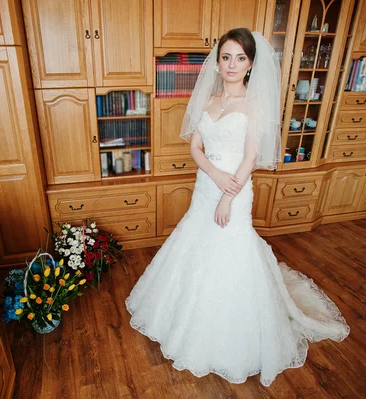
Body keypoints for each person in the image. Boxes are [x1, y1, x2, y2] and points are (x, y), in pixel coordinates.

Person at [125, 28, 349, 387]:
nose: (232, 64)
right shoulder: (208, 100)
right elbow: (196, 148)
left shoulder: (254, 104)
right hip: (207, 186)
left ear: (250, 65)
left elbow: (251, 156)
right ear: (217, 61)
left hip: (236, 189)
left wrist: (228, 195)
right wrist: (213, 175)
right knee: (194, 244)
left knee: (230, 249)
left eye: (240, 58)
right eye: (226, 56)